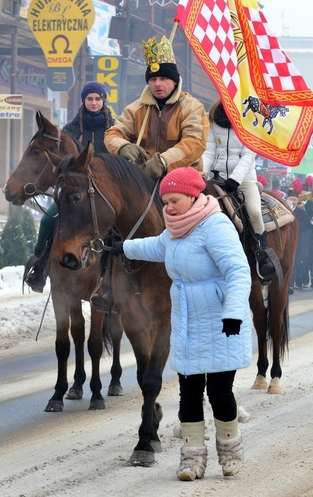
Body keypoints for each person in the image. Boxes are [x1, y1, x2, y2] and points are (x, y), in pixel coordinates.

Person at [110, 167, 251, 480]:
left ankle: (229, 453)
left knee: (219, 393)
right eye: (165, 202)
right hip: (186, 322)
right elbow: (156, 247)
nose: (169, 207)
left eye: (175, 200)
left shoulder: (216, 226)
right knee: (188, 394)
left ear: (193, 196)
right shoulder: (174, 229)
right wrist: (123, 247)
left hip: (219, 321)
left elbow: (238, 273)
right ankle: (191, 459)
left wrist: (233, 314)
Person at [23, 81, 115, 292]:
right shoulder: (70, 130)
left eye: (98, 99)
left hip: (106, 191)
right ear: (84, 101)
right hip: (76, 191)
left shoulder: (115, 129)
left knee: (121, 228)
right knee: (48, 220)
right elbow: (62, 161)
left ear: (103, 101)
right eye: (89, 99)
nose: (94, 103)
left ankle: (124, 278)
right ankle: (40, 266)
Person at [104, 35, 209, 178]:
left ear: (175, 81)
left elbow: (194, 142)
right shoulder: (135, 108)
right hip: (144, 177)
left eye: (163, 78)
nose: (157, 84)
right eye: (153, 79)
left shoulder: (192, 106)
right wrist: (123, 146)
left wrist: (163, 162)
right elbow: (112, 134)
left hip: (184, 176)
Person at [202, 100, 276, 282]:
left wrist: (235, 179)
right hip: (215, 177)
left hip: (244, 180)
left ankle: (261, 255)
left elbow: (249, 155)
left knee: (255, 213)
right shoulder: (213, 120)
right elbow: (209, 151)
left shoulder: (250, 121)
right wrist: (201, 174)